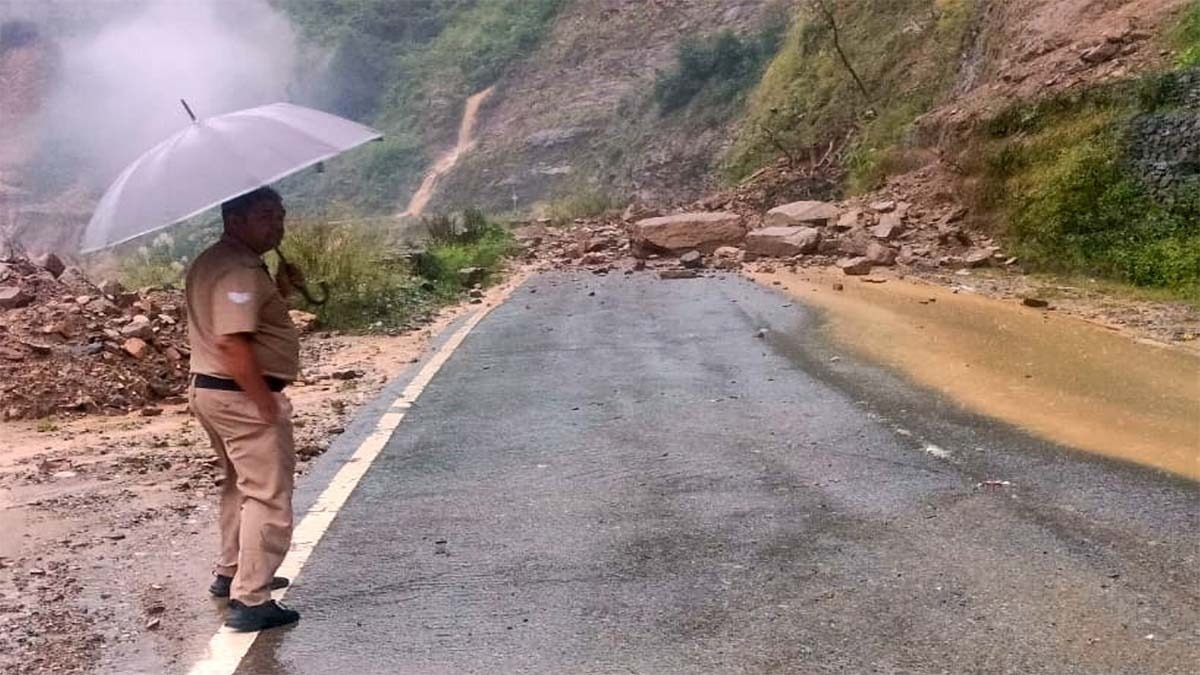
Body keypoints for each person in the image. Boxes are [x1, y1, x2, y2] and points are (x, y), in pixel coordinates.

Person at [185, 186, 305, 631]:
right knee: (268, 494)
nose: (277, 224)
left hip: (212, 391)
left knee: (239, 484)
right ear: (234, 221)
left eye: (280, 214)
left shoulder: (217, 260)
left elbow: (246, 321)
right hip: (239, 395)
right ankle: (252, 599)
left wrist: (281, 290)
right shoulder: (237, 270)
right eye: (265, 216)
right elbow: (233, 342)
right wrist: (264, 405)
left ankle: (232, 570)